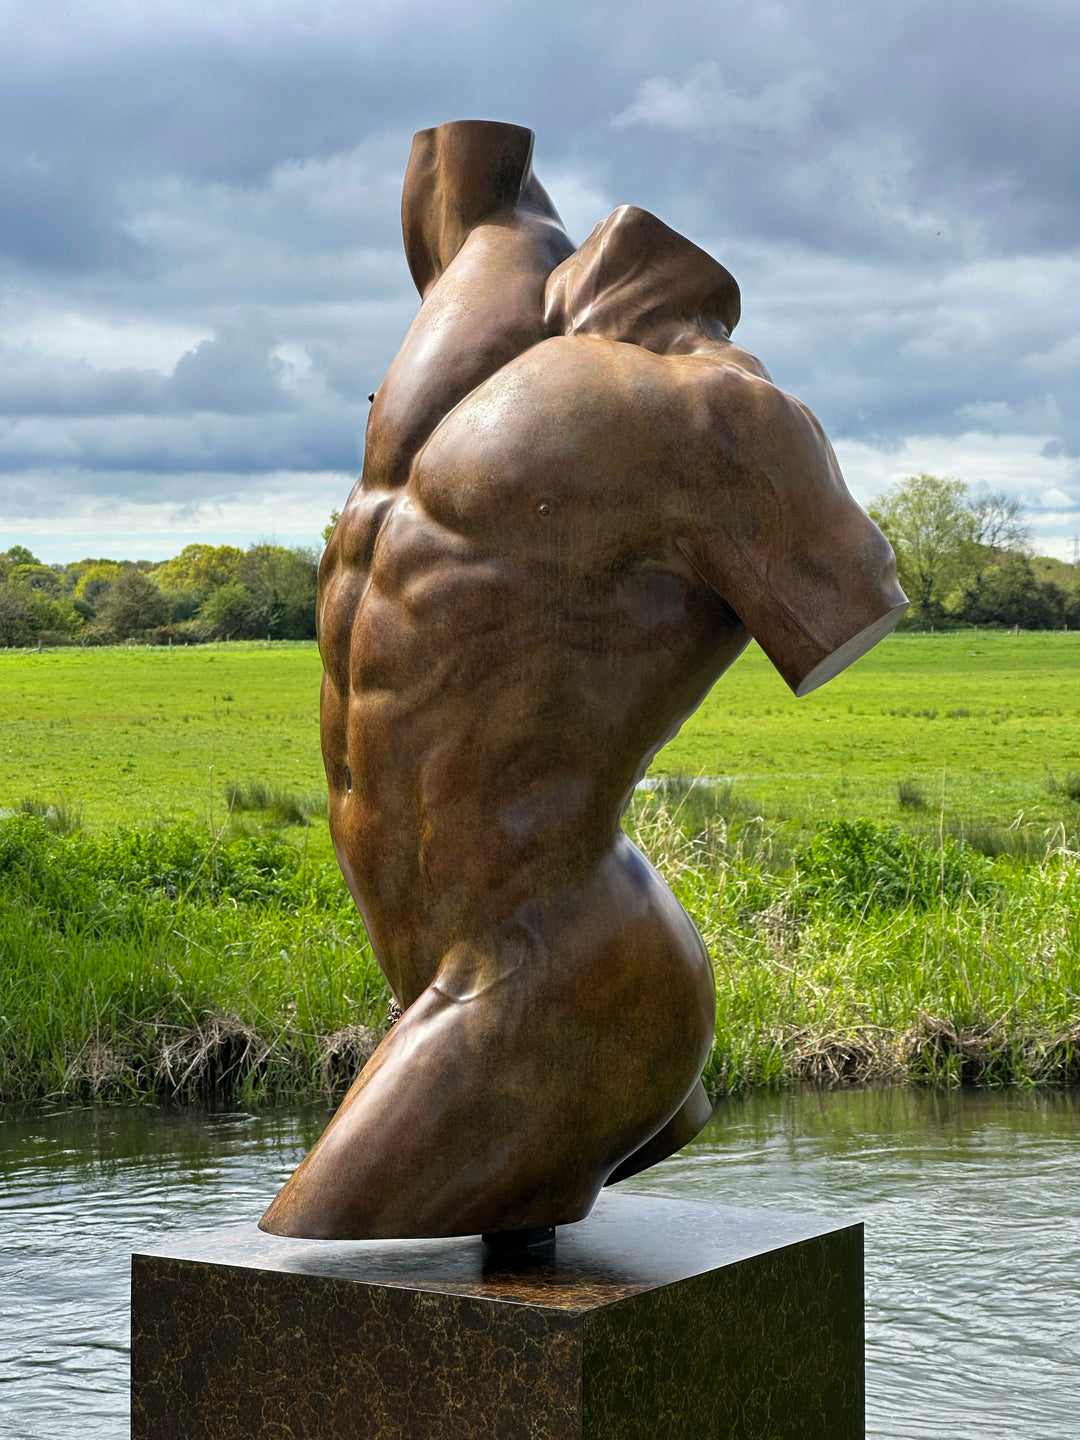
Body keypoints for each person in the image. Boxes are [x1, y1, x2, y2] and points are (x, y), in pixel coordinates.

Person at [260, 121, 907, 1240]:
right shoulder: (489, 295)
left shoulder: (724, 418)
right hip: (444, 964)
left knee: (305, 1275)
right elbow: (460, 173)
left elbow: (842, 612)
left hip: (554, 964)